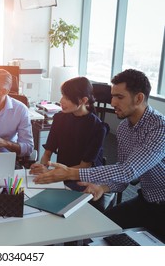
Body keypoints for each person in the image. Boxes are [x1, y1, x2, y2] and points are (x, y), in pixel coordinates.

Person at [32, 69, 165, 238]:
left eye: (119, 97)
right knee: (99, 230)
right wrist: (103, 187)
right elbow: (123, 175)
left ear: (138, 98)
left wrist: (71, 173)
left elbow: (129, 171)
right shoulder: (124, 128)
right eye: (112, 96)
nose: (112, 102)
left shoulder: (159, 127)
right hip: (147, 199)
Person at [30, 77, 111, 211]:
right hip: (63, 175)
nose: (61, 101)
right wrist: (42, 166)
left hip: (84, 178)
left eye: (67, 98)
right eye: (62, 95)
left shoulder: (98, 128)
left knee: (57, 206)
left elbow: (84, 167)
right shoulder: (60, 118)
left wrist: (54, 173)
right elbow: (48, 152)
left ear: (84, 100)